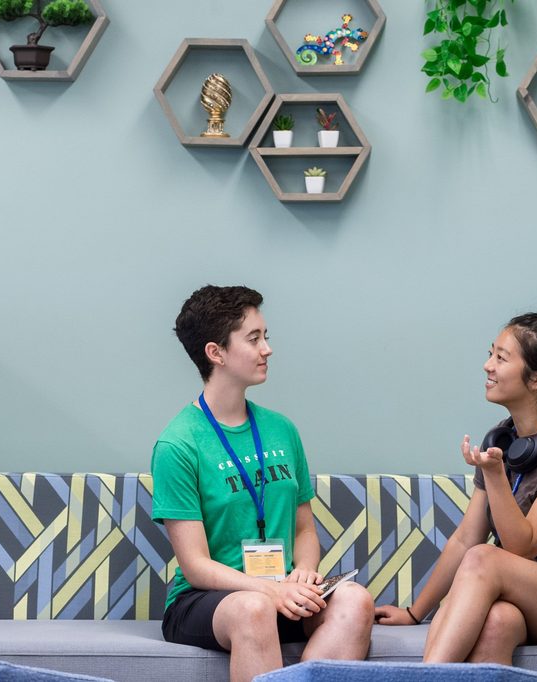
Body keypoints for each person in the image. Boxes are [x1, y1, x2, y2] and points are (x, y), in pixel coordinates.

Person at [374, 312, 537, 664]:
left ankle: (427, 677)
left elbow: (521, 547)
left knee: (485, 557)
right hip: (525, 598)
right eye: (490, 353)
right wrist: (415, 613)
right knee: (498, 621)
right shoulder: (503, 438)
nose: (487, 366)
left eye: (500, 357)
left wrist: (495, 475)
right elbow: (466, 538)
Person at [151, 285, 374, 682]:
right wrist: (268, 592)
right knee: (253, 609)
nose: (267, 349)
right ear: (215, 353)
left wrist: (304, 572)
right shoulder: (178, 443)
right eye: (254, 339)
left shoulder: (281, 430)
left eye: (265, 337)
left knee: (355, 600)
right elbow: (196, 566)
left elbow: (305, 530)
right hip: (208, 601)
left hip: (282, 591)